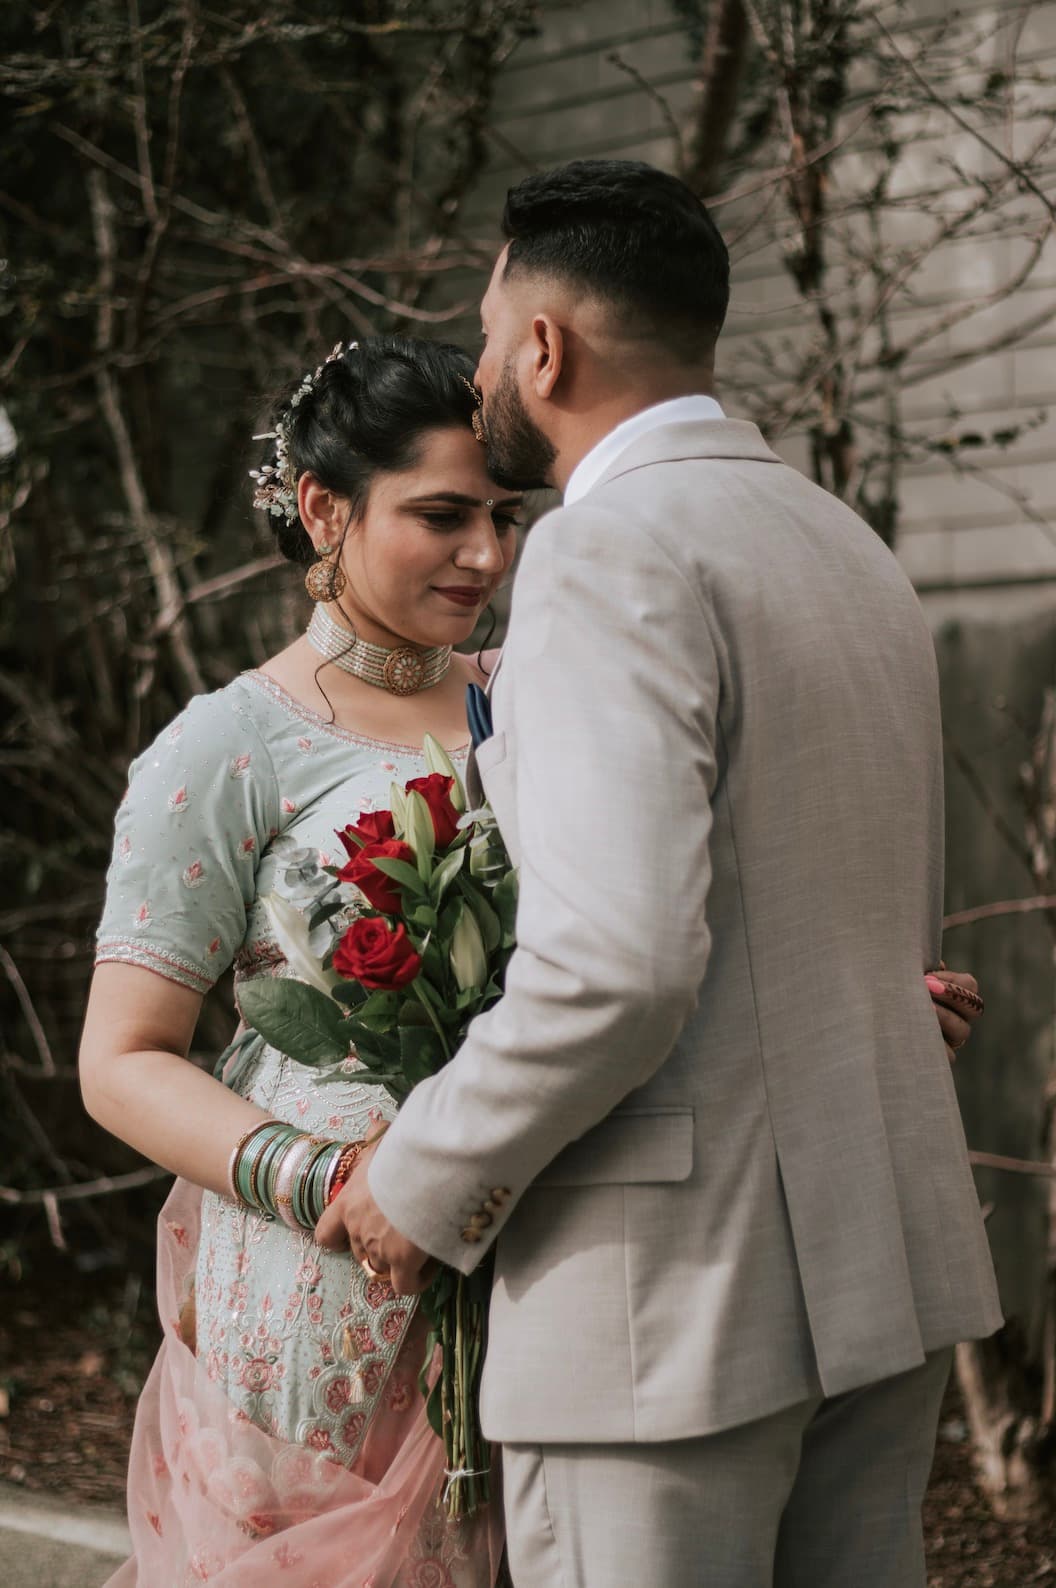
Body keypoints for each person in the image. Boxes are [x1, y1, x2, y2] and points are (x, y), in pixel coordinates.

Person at [323, 161, 1002, 1588]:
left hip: (665, 1309)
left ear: (547, 348)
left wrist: (424, 1175)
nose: (488, 356)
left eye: (492, 323)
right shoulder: (847, 545)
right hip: (878, 1267)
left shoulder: (604, 555)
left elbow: (616, 964)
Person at [79, 335, 521, 1586]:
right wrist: (331, 1182)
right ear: (326, 507)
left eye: (502, 515)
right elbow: (119, 1062)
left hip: (530, 1228)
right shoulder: (230, 744)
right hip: (325, 1274)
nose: (485, 554)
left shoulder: (529, 698)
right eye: (442, 515)